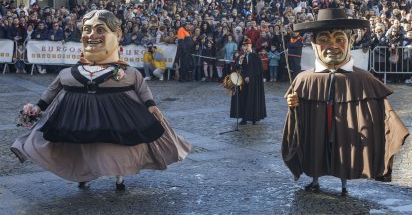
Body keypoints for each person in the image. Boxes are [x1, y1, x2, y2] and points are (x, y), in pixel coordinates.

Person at [11, 10, 191, 190]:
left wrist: (151, 106)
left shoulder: (128, 73)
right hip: (78, 119)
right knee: (83, 148)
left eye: (99, 30)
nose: (91, 35)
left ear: (118, 34)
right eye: (87, 29)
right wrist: (38, 107)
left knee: (116, 146)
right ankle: (84, 174)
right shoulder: (68, 73)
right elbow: (52, 90)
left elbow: (142, 88)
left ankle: (118, 176)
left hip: (116, 118)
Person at [281, 8, 409, 197]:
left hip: (346, 125)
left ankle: (343, 186)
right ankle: (315, 181)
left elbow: (382, 108)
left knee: (345, 149)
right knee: (317, 145)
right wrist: (293, 104)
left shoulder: (363, 78)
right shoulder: (304, 78)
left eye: (339, 39)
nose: (332, 46)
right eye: (324, 40)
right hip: (318, 121)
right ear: (315, 44)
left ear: (349, 42)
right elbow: (295, 115)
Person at [230, 38, 266, 125]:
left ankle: (254, 117)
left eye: (247, 45)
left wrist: (249, 76)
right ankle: (244, 118)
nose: (245, 47)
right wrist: (239, 62)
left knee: (253, 100)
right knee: (243, 100)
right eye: (244, 46)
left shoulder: (255, 56)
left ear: (250, 46)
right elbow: (235, 68)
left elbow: (258, 70)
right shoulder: (240, 57)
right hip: (242, 83)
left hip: (253, 82)